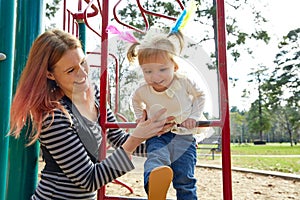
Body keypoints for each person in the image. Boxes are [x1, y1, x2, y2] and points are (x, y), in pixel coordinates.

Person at [8, 29, 175, 200]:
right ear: (50, 74)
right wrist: (136, 138)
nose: (83, 73)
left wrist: (168, 145)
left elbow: (118, 139)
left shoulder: (94, 96)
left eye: (82, 62)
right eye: (70, 70)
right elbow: (89, 179)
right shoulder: (53, 117)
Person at [127, 30, 206, 200]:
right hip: (158, 135)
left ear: (174, 66)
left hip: (184, 137)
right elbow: (135, 101)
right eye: (148, 71)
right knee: (155, 161)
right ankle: (155, 190)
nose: (155, 77)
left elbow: (201, 96)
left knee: (185, 179)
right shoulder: (143, 90)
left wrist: (194, 116)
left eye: (162, 69)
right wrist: (140, 118)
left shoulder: (183, 82)